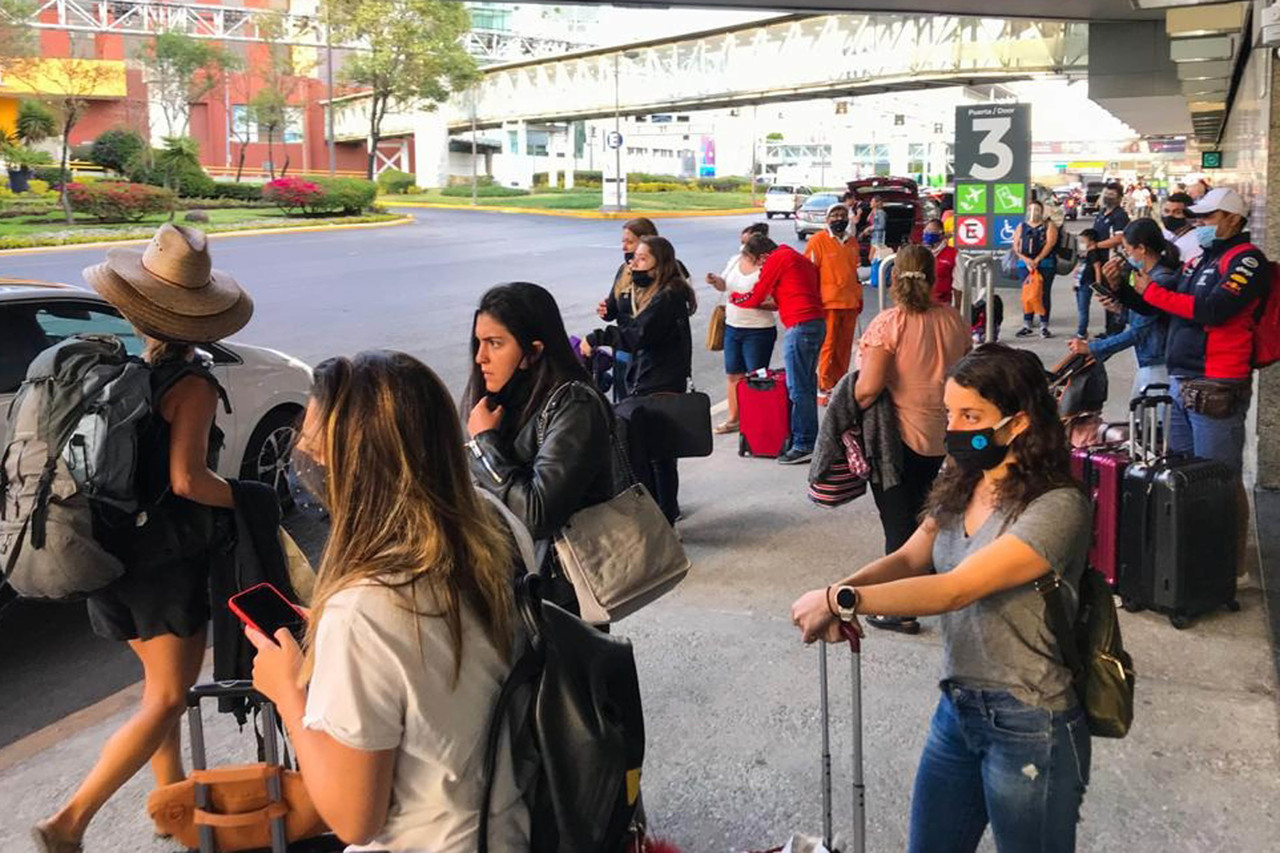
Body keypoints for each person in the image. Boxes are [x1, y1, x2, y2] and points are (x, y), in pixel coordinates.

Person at [791, 343, 1093, 853]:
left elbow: (956, 589)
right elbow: (912, 556)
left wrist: (841, 601)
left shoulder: (1059, 507)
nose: (953, 429)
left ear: (1018, 423)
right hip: (958, 708)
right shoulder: (962, 480)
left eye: (971, 416)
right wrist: (841, 591)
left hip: (1030, 720)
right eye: (949, 413)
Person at [246, 351, 528, 852]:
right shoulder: (494, 523)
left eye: (313, 448)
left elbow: (353, 820)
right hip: (513, 826)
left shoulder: (363, 609)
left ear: (354, 467)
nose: (303, 462)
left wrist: (288, 692)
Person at [34, 224, 253, 853]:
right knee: (168, 696)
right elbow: (188, 480)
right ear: (200, 319)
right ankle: (69, 821)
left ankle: (169, 807)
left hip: (103, 552)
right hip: (162, 566)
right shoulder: (192, 385)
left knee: (157, 691)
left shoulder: (114, 373)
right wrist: (247, 499)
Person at [1105, 187, 1270, 582]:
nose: (1200, 224)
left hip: (1216, 382)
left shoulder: (1247, 260)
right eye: (1198, 218)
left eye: (1208, 217)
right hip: (1182, 378)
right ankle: (1191, 561)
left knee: (1218, 478)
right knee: (1182, 475)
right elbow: (1162, 305)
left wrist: (1152, 290)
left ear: (1233, 219)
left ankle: (1229, 568)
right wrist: (1124, 288)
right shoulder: (1200, 259)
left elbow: (1213, 310)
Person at [852, 244, 971, 634]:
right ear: (934, 278)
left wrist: (849, 403)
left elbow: (867, 389)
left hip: (898, 437)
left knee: (898, 525)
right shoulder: (953, 320)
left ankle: (900, 608)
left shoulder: (890, 324)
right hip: (944, 436)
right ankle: (929, 583)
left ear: (891, 277)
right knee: (926, 515)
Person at [464, 282, 614, 564]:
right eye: (479, 342)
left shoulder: (575, 406)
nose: (480, 357)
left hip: (563, 578)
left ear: (533, 351)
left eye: (495, 343)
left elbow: (537, 515)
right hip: (516, 571)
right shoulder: (503, 402)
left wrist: (484, 445)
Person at [585, 235, 695, 523]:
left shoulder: (668, 296)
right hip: (650, 378)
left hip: (659, 383)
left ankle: (665, 519)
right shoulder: (658, 292)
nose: (634, 264)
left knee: (657, 455)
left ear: (661, 265)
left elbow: (638, 335)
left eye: (642, 258)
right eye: (634, 258)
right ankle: (664, 516)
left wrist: (597, 338)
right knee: (655, 454)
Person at [730, 234, 826, 465]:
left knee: (798, 388)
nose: (760, 268)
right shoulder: (797, 259)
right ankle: (807, 438)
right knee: (806, 384)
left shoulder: (777, 259)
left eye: (758, 263)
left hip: (800, 326)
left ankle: (804, 444)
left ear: (763, 256)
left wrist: (735, 298)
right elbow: (786, 298)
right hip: (814, 323)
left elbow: (756, 294)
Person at [1068, 219, 1172, 397]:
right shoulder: (1146, 275)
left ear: (1141, 248)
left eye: (1127, 250)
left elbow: (1139, 330)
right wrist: (1119, 309)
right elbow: (1144, 314)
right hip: (1151, 358)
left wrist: (1093, 348)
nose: (1126, 256)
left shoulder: (1159, 280)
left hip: (1157, 361)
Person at [707, 222, 776, 434]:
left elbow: (776, 301)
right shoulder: (735, 261)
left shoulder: (768, 267)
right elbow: (724, 285)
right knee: (733, 375)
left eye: (747, 245)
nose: (743, 249)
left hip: (758, 329)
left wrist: (752, 302)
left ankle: (757, 421)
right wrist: (715, 281)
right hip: (733, 326)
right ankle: (735, 418)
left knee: (756, 376)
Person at [805, 202, 864, 403]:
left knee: (844, 348)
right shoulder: (817, 241)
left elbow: (854, 272)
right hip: (827, 303)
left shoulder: (852, 242)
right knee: (827, 347)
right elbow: (809, 273)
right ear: (827, 219)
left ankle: (840, 385)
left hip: (850, 303)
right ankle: (824, 386)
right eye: (835, 215)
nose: (839, 219)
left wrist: (859, 297)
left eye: (842, 215)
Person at [603, 218, 660, 402]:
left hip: (651, 358)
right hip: (624, 350)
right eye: (623, 241)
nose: (624, 247)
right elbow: (613, 307)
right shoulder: (624, 270)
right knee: (624, 404)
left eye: (629, 242)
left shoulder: (664, 275)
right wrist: (606, 311)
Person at [1012, 200, 1060, 338]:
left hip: (1045, 264)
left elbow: (1050, 243)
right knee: (1028, 293)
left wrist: (1038, 259)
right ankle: (1027, 324)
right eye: (1031, 209)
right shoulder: (1022, 226)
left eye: (1037, 209)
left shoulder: (1049, 225)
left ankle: (1044, 325)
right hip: (1025, 265)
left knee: (1043, 293)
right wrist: (1026, 259)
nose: (1033, 212)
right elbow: (1016, 245)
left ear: (1042, 211)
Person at [1092, 184, 1132, 339]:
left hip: (1113, 261)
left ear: (1120, 198)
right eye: (1106, 193)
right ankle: (1109, 329)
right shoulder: (1102, 213)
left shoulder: (1120, 215)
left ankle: (1116, 330)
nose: (1108, 197)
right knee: (1105, 295)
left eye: (1112, 194)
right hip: (1100, 261)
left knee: (1114, 295)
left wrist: (1096, 245)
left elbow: (1119, 238)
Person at [1073, 228, 1107, 340]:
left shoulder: (1093, 253)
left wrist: (1098, 285)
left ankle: (1081, 332)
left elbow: (1097, 268)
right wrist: (1075, 282)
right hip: (1079, 282)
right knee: (1080, 308)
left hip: (1087, 283)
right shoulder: (1084, 253)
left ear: (1091, 241)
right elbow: (1079, 268)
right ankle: (1082, 331)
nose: (1081, 243)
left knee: (1083, 309)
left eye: (1084, 241)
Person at [1160, 191, 1202, 267]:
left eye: (1177, 213)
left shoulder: (1195, 240)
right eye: (1167, 211)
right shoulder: (1165, 233)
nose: (1170, 215)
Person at [923, 218, 958, 307]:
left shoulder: (953, 254)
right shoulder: (920, 252)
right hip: (921, 302)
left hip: (942, 302)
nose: (928, 234)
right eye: (926, 231)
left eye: (932, 231)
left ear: (941, 235)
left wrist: (957, 308)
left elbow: (958, 285)